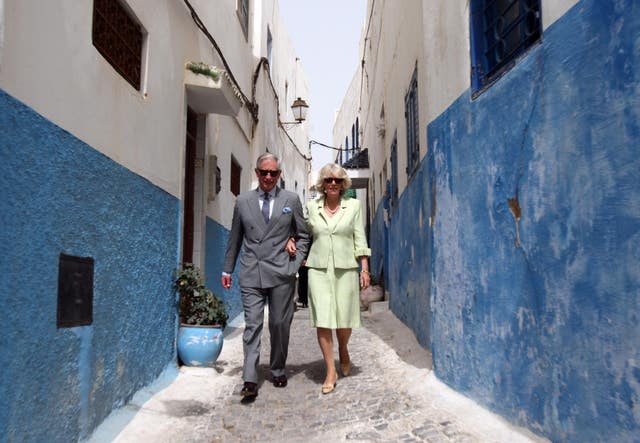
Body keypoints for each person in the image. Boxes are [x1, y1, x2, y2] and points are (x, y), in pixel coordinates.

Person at [221, 152, 310, 402]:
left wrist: (294, 265)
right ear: (257, 173)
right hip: (252, 271)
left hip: (282, 272)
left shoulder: (290, 199)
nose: (268, 177)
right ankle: (249, 378)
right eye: (264, 172)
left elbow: (303, 235)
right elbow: (235, 238)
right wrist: (227, 269)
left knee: (280, 324)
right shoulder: (243, 201)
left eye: (273, 173)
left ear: (279, 175)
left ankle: (278, 368)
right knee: (252, 325)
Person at [288, 163, 371, 394]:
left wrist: (364, 268)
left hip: (345, 267)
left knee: (344, 319)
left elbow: (359, 237)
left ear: (342, 183)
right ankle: (330, 370)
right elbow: (301, 231)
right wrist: (291, 238)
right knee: (323, 319)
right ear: (322, 184)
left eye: (336, 180)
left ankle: (343, 348)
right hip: (318, 269)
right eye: (328, 180)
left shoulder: (353, 206)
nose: (332, 183)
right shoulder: (311, 207)